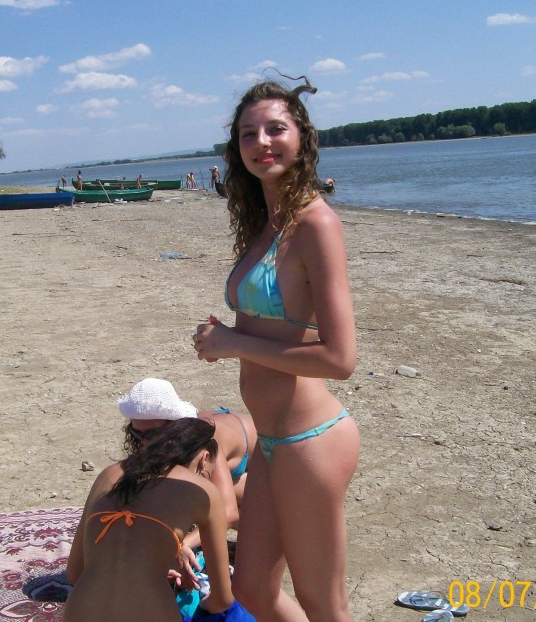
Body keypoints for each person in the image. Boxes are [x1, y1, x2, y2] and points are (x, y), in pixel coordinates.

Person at [192, 76, 360, 621]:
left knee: (322, 601)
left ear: (302, 138)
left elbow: (341, 359)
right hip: (271, 442)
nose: (262, 141)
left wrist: (231, 342)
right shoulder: (267, 226)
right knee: (253, 593)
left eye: (275, 129)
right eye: (248, 134)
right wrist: (227, 341)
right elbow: (283, 330)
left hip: (310, 442)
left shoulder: (316, 224)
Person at [65, 418, 253, 622]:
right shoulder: (203, 491)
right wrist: (203, 605)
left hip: (81, 611)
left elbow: (74, 573)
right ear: (204, 458)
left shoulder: (109, 474)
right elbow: (222, 599)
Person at [117, 378, 256, 579]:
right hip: (233, 449)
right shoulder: (149, 439)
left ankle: (262, 543)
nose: (144, 443)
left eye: (152, 435)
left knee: (218, 499)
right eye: (136, 434)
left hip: (267, 458)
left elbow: (228, 512)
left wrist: (180, 544)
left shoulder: (205, 442)